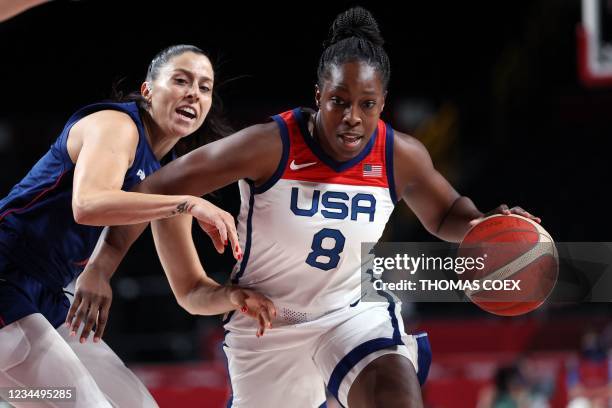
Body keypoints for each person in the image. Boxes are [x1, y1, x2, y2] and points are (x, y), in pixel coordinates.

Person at [73, 8, 541, 408]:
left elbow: (445, 212)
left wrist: (483, 224)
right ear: (319, 97)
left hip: (352, 313)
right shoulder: (268, 146)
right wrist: (101, 266)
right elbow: (155, 188)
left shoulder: (399, 154)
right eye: (339, 101)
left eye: (367, 104)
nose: (352, 117)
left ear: (382, 105)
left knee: (395, 397)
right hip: (267, 325)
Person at [0, 44, 274, 407]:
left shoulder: (164, 176)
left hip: (46, 294)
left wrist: (232, 296)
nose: (194, 92)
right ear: (147, 90)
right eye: (181, 80)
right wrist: (190, 204)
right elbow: (88, 204)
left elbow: (189, 289)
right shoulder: (115, 125)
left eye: (205, 87)